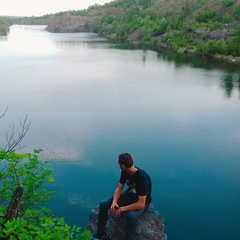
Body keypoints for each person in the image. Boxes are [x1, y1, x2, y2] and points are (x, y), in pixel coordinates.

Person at [93, 153, 152, 240]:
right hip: (129, 195)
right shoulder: (125, 172)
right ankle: (101, 234)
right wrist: (114, 202)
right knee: (104, 204)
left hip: (141, 201)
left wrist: (121, 209)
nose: (118, 166)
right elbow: (119, 188)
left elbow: (141, 204)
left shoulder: (142, 178)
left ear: (123, 165)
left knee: (131, 216)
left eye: (119, 164)